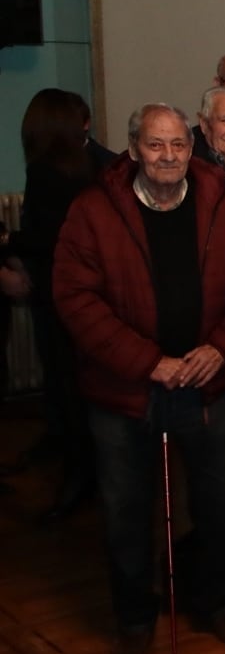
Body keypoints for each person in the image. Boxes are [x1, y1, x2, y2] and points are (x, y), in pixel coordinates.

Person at [52, 102, 225, 654]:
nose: (168, 157)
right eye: (155, 145)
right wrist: (149, 362)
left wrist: (221, 347)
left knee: (223, 504)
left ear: (194, 148)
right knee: (124, 509)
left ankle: (218, 603)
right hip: (126, 388)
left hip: (211, 378)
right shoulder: (94, 210)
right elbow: (75, 300)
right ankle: (135, 619)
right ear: (135, 148)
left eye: (178, 146)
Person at [16, 89, 105, 521]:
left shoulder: (48, 173)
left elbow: (44, 237)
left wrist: (7, 247)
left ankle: (78, 475)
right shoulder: (101, 165)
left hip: (61, 298)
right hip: (88, 300)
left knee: (69, 388)